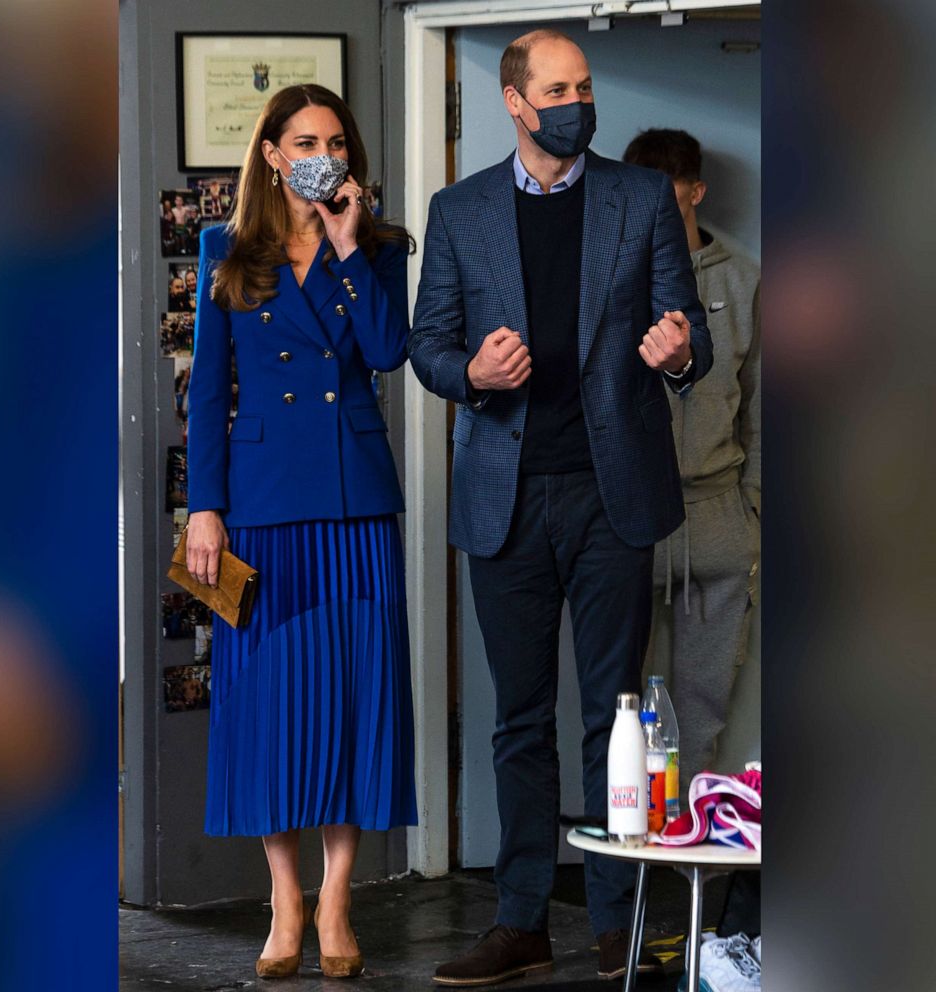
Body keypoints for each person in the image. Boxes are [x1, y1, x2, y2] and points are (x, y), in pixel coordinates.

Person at [409, 30, 712, 987]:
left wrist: (678, 354)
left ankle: (620, 925)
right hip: (503, 495)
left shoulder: (640, 196)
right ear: (514, 100)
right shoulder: (459, 210)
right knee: (520, 719)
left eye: (584, 85)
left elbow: (688, 329)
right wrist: (471, 374)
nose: (577, 100)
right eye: (557, 88)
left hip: (611, 492)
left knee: (616, 717)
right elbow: (427, 344)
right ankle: (522, 920)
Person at [185, 83, 417, 981]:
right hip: (261, 506)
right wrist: (204, 506)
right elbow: (207, 396)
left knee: (354, 697)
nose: (325, 151)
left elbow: (391, 352)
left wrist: (351, 246)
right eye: (306, 139)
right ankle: (284, 899)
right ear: (274, 154)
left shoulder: (382, 247)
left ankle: (336, 898)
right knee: (272, 707)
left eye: (337, 140)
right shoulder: (225, 248)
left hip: (356, 502)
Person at [622, 129, 760, 798]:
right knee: (625, 704)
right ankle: (636, 844)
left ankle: (689, 839)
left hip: (719, 513)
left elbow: (767, 405)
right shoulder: (611, 279)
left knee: (705, 702)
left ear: (696, 194)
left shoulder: (745, 281)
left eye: (668, 206)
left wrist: (753, 507)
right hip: (631, 516)